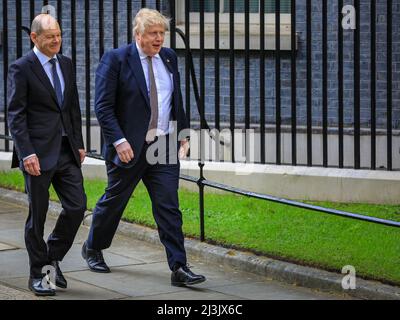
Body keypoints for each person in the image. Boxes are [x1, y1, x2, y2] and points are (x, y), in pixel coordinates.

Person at [81, 8, 206, 287]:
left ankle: (179, 267)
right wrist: (119, 141)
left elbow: (177, 99)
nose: (159, 38)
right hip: (129, 147)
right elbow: (102, 106)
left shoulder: (169, 58)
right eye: (153, 34)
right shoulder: (116, 59)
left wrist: (183, 134)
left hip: (162, 146)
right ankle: (93, 247)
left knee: (168, 207)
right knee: (114, 202)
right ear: (138, 35)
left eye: (162, 33)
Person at [7, 14, 87, 296]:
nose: (56, 41)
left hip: (66, 151)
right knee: (37, 217)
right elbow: (15, 115)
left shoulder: (65, 63)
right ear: (34, 37)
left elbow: (72, 107)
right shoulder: (22, 68)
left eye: (59, 35)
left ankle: (52, 256)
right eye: (50, 36)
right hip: (37, 155)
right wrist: (26, 152)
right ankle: (38, 274)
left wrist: (78, 141)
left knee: (77, 207)